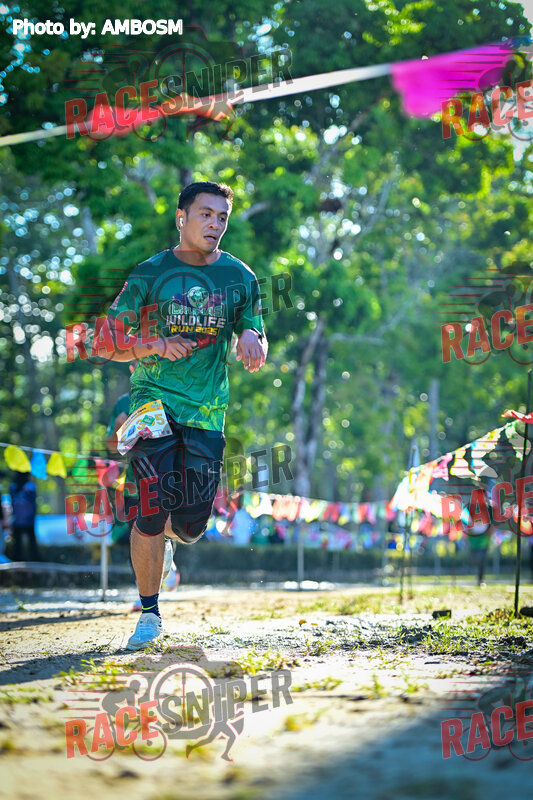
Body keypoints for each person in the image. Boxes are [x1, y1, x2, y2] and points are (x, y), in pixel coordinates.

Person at [105, 181, 267, 650]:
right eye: (206, 214)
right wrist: (153, 345)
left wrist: (252, 337)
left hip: (207, 412)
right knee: (151, 506)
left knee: (192, 525)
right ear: (182, 217)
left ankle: (168, 546)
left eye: (222, 217)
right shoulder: (150, 273)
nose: (215, 224)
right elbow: (108, 342)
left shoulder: (240, 277)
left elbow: (254, 328)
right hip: (152, 402)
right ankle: (149, 613)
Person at [104, 363, 180, 600]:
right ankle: (145, 598)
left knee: (165, 531)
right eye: (142, 363)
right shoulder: (123, 403)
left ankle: (167, 559)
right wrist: (118, 429)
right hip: (133, 485)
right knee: (137, 537)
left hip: (167, 480)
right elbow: (111, 448)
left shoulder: (174, 396)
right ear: (132, 367)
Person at [9, 472, 41, 561]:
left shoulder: (14, 486)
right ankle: (34, 559)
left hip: (18, 519)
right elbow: (33, 503)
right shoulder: (30, 486)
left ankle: (18, 559)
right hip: (28, 519)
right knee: (30, 541)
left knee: (18, 543)